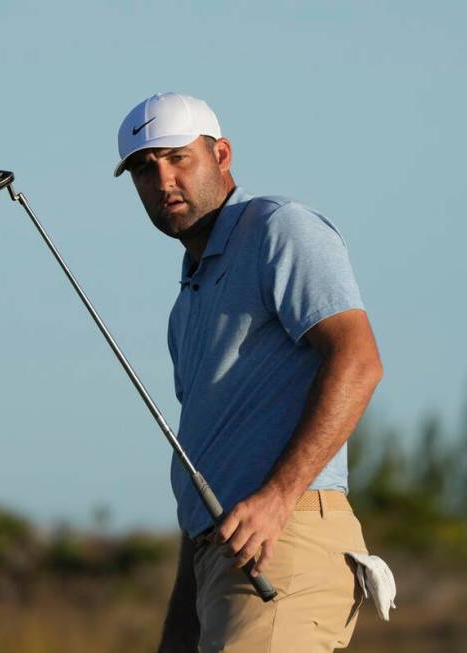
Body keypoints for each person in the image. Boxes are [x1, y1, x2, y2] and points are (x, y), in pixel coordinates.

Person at [113, 92, 384, 652]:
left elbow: (358, 360)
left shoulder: (277, 229)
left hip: (287, 542)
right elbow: (205, 474)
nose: (161, 179)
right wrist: (177, 636)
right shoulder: (183, 307)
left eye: (177, 158)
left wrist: (279, 497)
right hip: (221, 566)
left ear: (222, 154)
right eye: (143, 167)